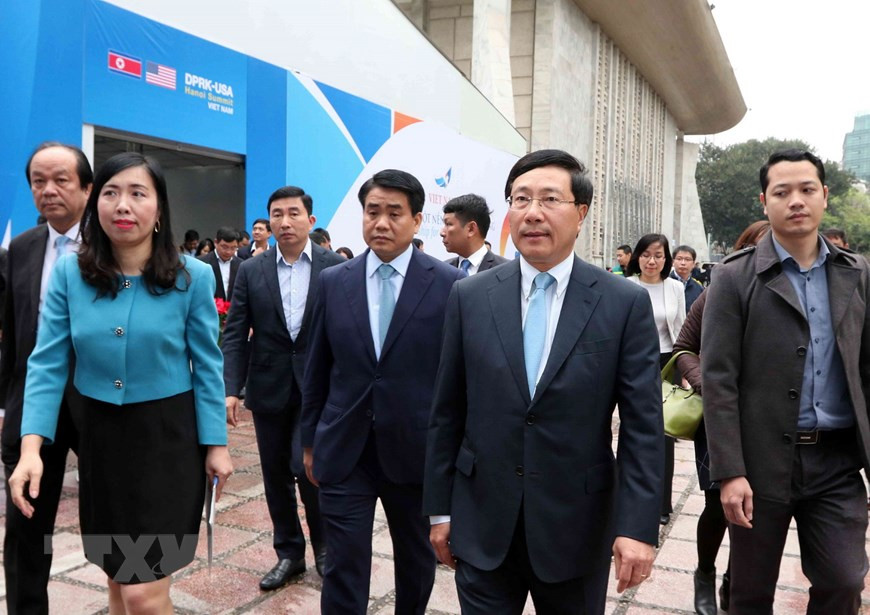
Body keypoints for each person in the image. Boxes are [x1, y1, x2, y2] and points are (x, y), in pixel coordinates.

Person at [423, 149, 664, 614]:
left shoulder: (622, 303)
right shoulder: (469, 297)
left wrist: (636, 526)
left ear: (581, 214)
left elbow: (643, 429)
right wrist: (440, 510)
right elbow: (446, 411)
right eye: (520, 199)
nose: (532, 212)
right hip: (483, 522)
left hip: (576, 528)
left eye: (549, 199)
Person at [8, 152, 233, 614]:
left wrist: (217, 444)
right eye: (110, 193)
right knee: (116, 578)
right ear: (96, 205)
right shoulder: (72, 273)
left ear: (159, 208)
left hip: (167, 444)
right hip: (103, 443)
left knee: (143, 594)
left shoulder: (193, 278)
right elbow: (47, 362)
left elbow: (208, 366)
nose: (122, 205)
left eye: (137, 193)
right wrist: (31, 448)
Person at [702, 149, 870, 614]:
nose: (796, 200)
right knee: (750, 592)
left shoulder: (857, 274)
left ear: (824, 196)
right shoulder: (734, 277)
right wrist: (730, 472)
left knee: (843, 580)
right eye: (782, 192)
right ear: (764, 201)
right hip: (760, 463)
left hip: (836, 461)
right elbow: (719, 380)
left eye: (807, 189)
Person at [301, 169, 464, 614]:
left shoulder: (449, 287)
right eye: (373, 212)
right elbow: (317, 367)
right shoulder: (334, 281)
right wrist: (310, 440)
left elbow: (456, 382)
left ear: (416, 220)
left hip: (415, 452)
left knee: (416, 561)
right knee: (343, 564)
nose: (382, 223)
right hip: (344, 446)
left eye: (395, 213)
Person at [223, 186, 344, 588]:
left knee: (309, 468)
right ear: (269, 221)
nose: (284, 222)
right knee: (275, 474)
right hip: (269, 385)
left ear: (310, 220)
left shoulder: (334, 266)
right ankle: (289, 553)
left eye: (293, 213)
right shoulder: (252, 269)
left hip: (319, 388)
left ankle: (325, 547)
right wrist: (231, 388)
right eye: (277, 214)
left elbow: (347, 330)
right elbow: (236, 331)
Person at [0, 142, 91, 615]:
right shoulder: (22, 247)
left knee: (120, 525)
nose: (48, 190)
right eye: (39, 181)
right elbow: (13, 335)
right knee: (25, 529)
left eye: (61, 180)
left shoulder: (115, 243)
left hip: (100, 407)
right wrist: (5, 405)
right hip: (33, 407)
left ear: (87, 188)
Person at [673, 220, 770, 615]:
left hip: (767, 422)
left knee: (757, 508)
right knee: (717, 505)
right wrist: (707, 384)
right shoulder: (715, 294)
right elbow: (683, 350)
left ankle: (736, 577)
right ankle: (705, 574)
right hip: (718, 418)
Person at [626, 233, 686, 526]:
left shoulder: (675, 288)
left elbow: (683, 331)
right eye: (647, 254)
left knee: (665, 436)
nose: (652, 261)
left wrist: (686, 370)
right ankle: (628, 498)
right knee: (632, 430)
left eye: (658, 255)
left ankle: (662, 503)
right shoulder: (625, 286)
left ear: (666, 259)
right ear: (638, 257)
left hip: (665, 364)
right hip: (632, 363)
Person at [440, 193, 509, 275]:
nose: (442, 233)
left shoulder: (505, 271)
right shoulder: (443, 270)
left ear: (471, 229)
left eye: (448, 224)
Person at [200, 227, 241, 301]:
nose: (228, 252)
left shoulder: (241, 265)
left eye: (233, 248)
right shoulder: (202, 263)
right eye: (225, 247)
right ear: (216, 242)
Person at [670, 245, 705, 311]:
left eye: (687, 259)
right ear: (673, 262)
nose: (683, 263)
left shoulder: (699, 289)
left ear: (694, 264)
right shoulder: (664, 284)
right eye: (679, 259)